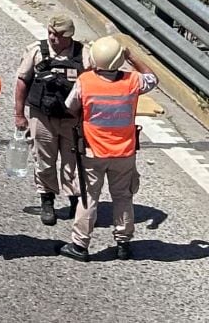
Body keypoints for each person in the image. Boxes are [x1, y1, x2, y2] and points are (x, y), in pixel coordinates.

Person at [61, 34, 159, 262]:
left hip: (93, 151)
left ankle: (80, 244)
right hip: (124, 152)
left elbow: (70, 106)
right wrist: (131, 56)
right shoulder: (133, 81)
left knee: (89, 197)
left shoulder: (85, 82)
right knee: (123, 197)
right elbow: (152, 78)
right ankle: (123, 242)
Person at [14, 13, 84, 226]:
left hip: (72, 119)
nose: (53, 38)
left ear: (69, 36)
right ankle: (47, 202)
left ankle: (76, 204)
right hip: (42, 117)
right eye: (51, 33)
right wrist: (19, 115)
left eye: (58, 35)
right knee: (43, 160)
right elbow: (22, 81)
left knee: (73, 163)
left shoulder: (84, 54)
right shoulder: (36, 50)